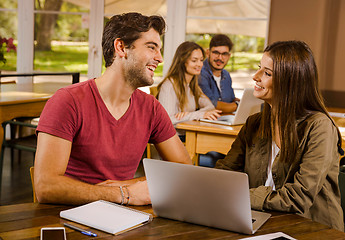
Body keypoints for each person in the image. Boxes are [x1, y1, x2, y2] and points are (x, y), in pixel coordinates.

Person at [34, 12, 191, 206]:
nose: (159, 58)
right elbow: (45, 186)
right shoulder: (68, 101)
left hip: (122, 217)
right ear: (121, 47)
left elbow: (185, 169)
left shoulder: (151, 108)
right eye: (151, 47)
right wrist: (124, 194)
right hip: (68, 216)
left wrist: (127, 186)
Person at [215, 40, 344, 231]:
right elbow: (225, 173)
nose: (255, 77)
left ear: (291, 82)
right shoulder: (254, 123)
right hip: (263, 222)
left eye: (267, 73)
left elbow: (298, 197)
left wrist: (237, 195)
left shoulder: (319, 127)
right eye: (260, 68)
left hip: (311, 229)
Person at [157, 41, 221, 128]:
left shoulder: (192, 85)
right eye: (194, 60)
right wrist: (199, 115)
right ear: (183, 62)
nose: (199, 64)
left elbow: (210, 106)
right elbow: (167, 121)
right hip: (174, 138)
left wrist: (190, 115)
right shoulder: (169, 86)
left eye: (201, 60)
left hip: (187, 134)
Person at [199, 34, 239, 113]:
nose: (220, 58)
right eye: (216, 53)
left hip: (223, 120)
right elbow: (212, 105)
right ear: (208, 53)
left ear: (229, 56)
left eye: (224, 54)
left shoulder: (226, 75)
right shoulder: (200, 73)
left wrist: (243, 102)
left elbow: (231, 100)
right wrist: (238, 105)